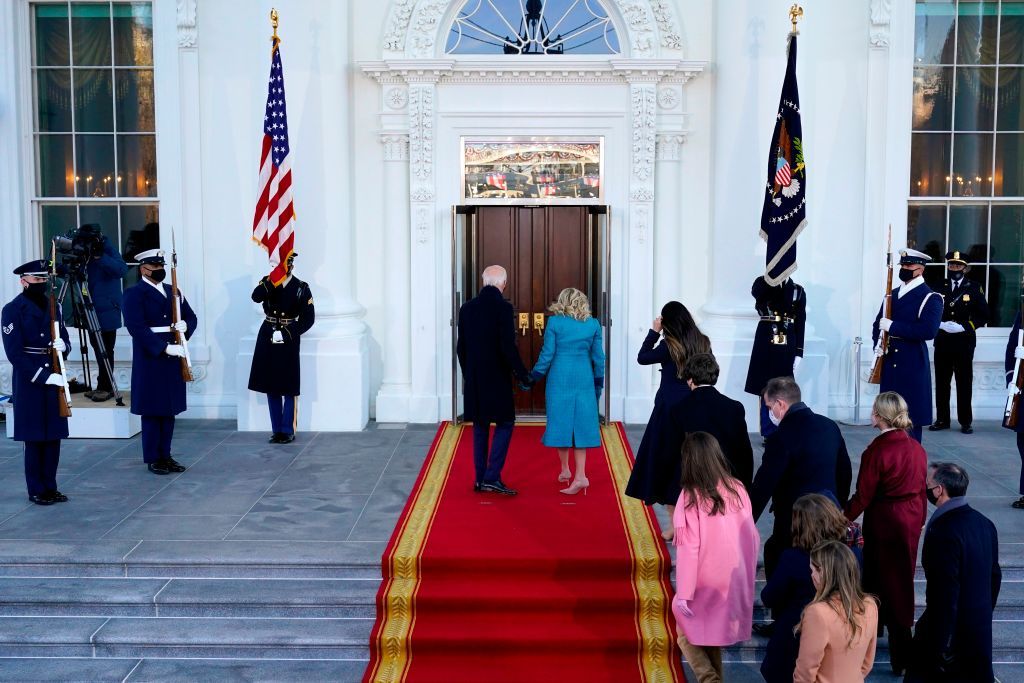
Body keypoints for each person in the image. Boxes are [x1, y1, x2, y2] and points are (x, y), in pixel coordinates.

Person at [843, 392, 925, 675]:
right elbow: (921, 489)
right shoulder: (916, 447)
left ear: (878, 416)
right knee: (901, 583)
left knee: (877, 583)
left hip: (885, 522)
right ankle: (902, 655)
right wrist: (920, 520)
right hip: (910, 519)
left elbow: (863, 496)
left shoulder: (876, 451)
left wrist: (839, 519)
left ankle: (870, 647)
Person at [671, 432, 759, 683]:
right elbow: (751, 535)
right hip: (733, 575)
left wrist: (684, 593)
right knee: (707, 634)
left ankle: (709, 678)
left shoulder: (690, 496)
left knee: (685, 632)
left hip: (704, 578)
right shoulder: (738, 488)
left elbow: (689, 549)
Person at [907, 462, 1001, 683]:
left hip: (949, 634)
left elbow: (944, 592)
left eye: (927, 484)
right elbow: (994, 577)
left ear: (939, 490)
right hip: (978, 629)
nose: (925, 488)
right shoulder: (985, 523)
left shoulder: (943, 531)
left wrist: (941, 641)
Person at [750, 377, 852, 579]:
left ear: (780, 404)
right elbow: (845, 472)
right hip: (828, 512)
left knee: (780, 558)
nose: (769, 412)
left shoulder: (781, 436)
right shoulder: (829, 426)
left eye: (769, 406)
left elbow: (764, 484)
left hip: (795, 519)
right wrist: (836, 505)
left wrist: (745, 520)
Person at [625, 302, 711, 531]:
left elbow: (642, 357)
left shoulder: (668, 345)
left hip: (668, 409)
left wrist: (653, 332)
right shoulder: (702, 341)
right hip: (694, 405)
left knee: (666, 463)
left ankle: (675, 525)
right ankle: (691, 519)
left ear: (667, 322)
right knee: (688, 462)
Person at [759, 494, 862, 682]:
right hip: (839, 637)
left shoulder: (793, 558)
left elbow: (769, 597)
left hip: (795, 637)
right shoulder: (853, 555)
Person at [0, 260, 72, 505]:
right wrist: (42, 376)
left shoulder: (54, 306)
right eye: (37, 280)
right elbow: (14, 353)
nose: (41, 284)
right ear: (24, 281)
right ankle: (36, 489)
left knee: (53, 436)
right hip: (30, 380)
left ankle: (51, 486)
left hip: (53, 373)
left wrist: (65, 346)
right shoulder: (13, 310)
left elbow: (63, 336)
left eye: (44, 280)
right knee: (34, 439)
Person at [456, 265, 532, 495]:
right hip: (497, 378)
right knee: (506, 423)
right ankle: (492, 476)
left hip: (475, 378)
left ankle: (480, 479)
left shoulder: (466, 308)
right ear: (504, 284)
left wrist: (468, 373)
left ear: (483, 282)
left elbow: (461, 348)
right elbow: (507, 347)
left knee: (479, 426)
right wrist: (522, 374)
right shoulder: (503, 308)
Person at [122, 249, 198, 475]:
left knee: (169, 409)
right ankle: (153, 457)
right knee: (153, 410)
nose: (159, 271)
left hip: (175, 356)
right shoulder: (134, 294)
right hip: (151, 357)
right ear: (143, 269)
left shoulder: (172, 291)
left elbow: (190, 317)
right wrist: (163, 347)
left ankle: (166, 454)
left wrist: (186, 328)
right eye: (154, 267)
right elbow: (136, 327)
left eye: (161, 266)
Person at [530, 287, 605, 495]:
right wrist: (599, 382)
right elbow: (599, 358)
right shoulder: (593, 324)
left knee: (560, 422)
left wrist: (534, 377)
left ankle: (566, 470)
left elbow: (547, 354)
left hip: (560, 377)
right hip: (584, 378)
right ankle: (579, 474)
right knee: (581, 426)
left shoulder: (555, 322)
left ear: (562, 302)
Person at [871, 248, 943, 443]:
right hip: (889, 361)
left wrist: (893, 326)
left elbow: (928, 331)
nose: (904, 269)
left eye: (909, 266)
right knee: (887, 418)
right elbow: (878, 324)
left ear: (920, 269)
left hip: (911, 363)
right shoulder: (892, 294)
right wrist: (877, 346)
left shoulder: (931, 297)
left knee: (909, 421)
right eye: (902, 265)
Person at [248, 252, 315, 444]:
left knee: (288, 385)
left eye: (283, 269)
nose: (280, 272)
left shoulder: (301, 288)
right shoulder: (267, 282)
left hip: (288, 335)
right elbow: (256, 297)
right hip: (268, 334)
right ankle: (276, 429)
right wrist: (271, 281)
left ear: (291, 267)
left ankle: (287, 429)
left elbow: (308, 318)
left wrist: (288, 332)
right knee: (271, 384)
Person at [663, 353, 753, 490]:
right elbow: (744, 453)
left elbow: (671, 453)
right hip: (727, 481)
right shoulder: (734, 407)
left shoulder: (678, 409)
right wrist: (744, 487)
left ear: (689, 379)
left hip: (693, 482)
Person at [793, 540, 878, 682]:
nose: (811, 575)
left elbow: (805, 673)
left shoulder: (817, 613)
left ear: (824, 573)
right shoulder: (870, 605)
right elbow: (867, 663)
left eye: (813, 570)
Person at [930, 250, 989, 434]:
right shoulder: (939, 285)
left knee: (964, 382)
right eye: (951, 265)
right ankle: (942, 419)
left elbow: (984, 315)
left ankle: (965, 421)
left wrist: (965, 326)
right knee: (942, 382)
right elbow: (929, 310)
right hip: (943, 341)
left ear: (965, 267)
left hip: (964, 342)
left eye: (958, 265)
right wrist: (939, 324)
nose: (954, 268)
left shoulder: (974, 287)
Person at [744, 275, 806, 439]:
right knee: (765, 387)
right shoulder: (762, 284)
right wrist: (772, 279)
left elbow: (801, 322)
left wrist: (799, 351)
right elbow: (757, 293)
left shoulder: (797, 290)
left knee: (786, 387)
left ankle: (785, 428)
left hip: (787, 341)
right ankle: (769, 431)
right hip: (766, 340)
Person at [1004, 308, 1024, 509]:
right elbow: (1012, 344)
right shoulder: (1023, 310)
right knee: (1023, 440)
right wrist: (1011, 376)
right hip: (1022, 384)